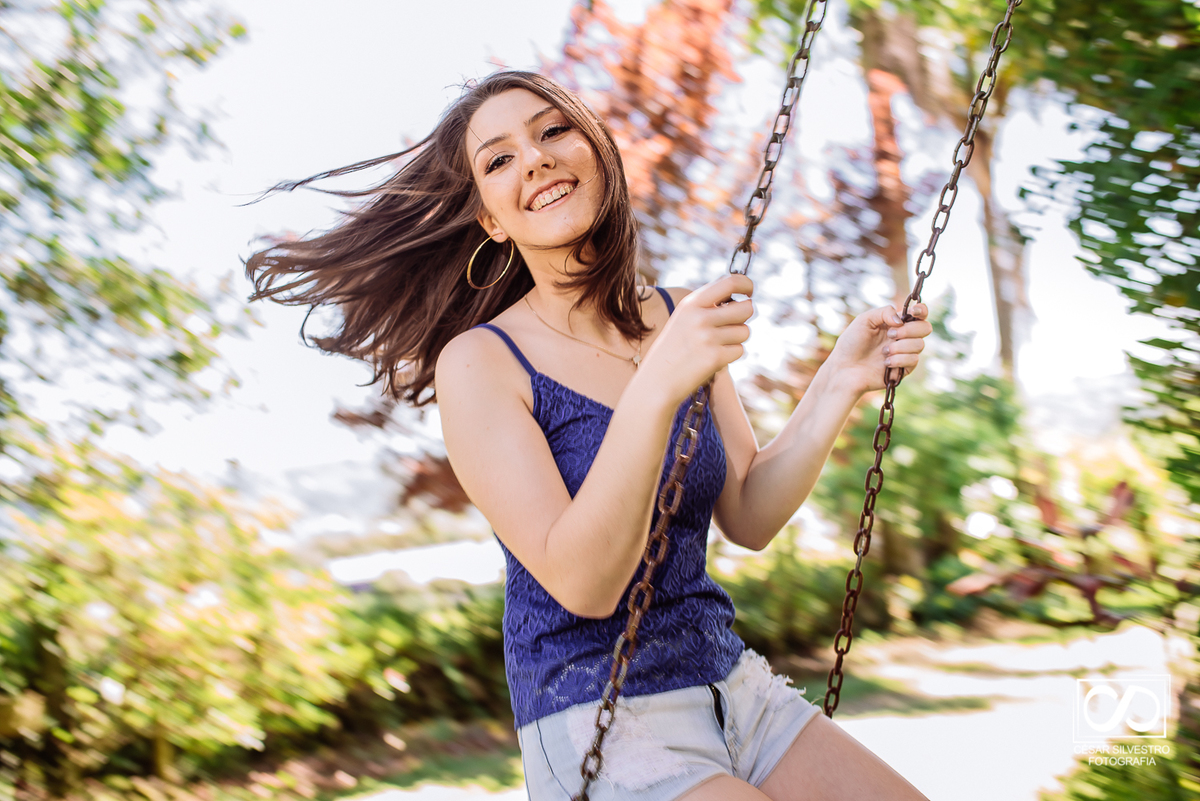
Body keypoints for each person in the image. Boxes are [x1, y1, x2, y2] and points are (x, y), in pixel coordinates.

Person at [246, 70, 933, 801]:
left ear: (598, 153)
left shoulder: (672, 317)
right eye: (498, 159)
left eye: (551, 131)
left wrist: (839, 382)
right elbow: (583, 582)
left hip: (733, 683)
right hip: (598, 716)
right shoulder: (482, 363)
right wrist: (660, 379)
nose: (535, 159)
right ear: (491, 221)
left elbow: (749, 511)